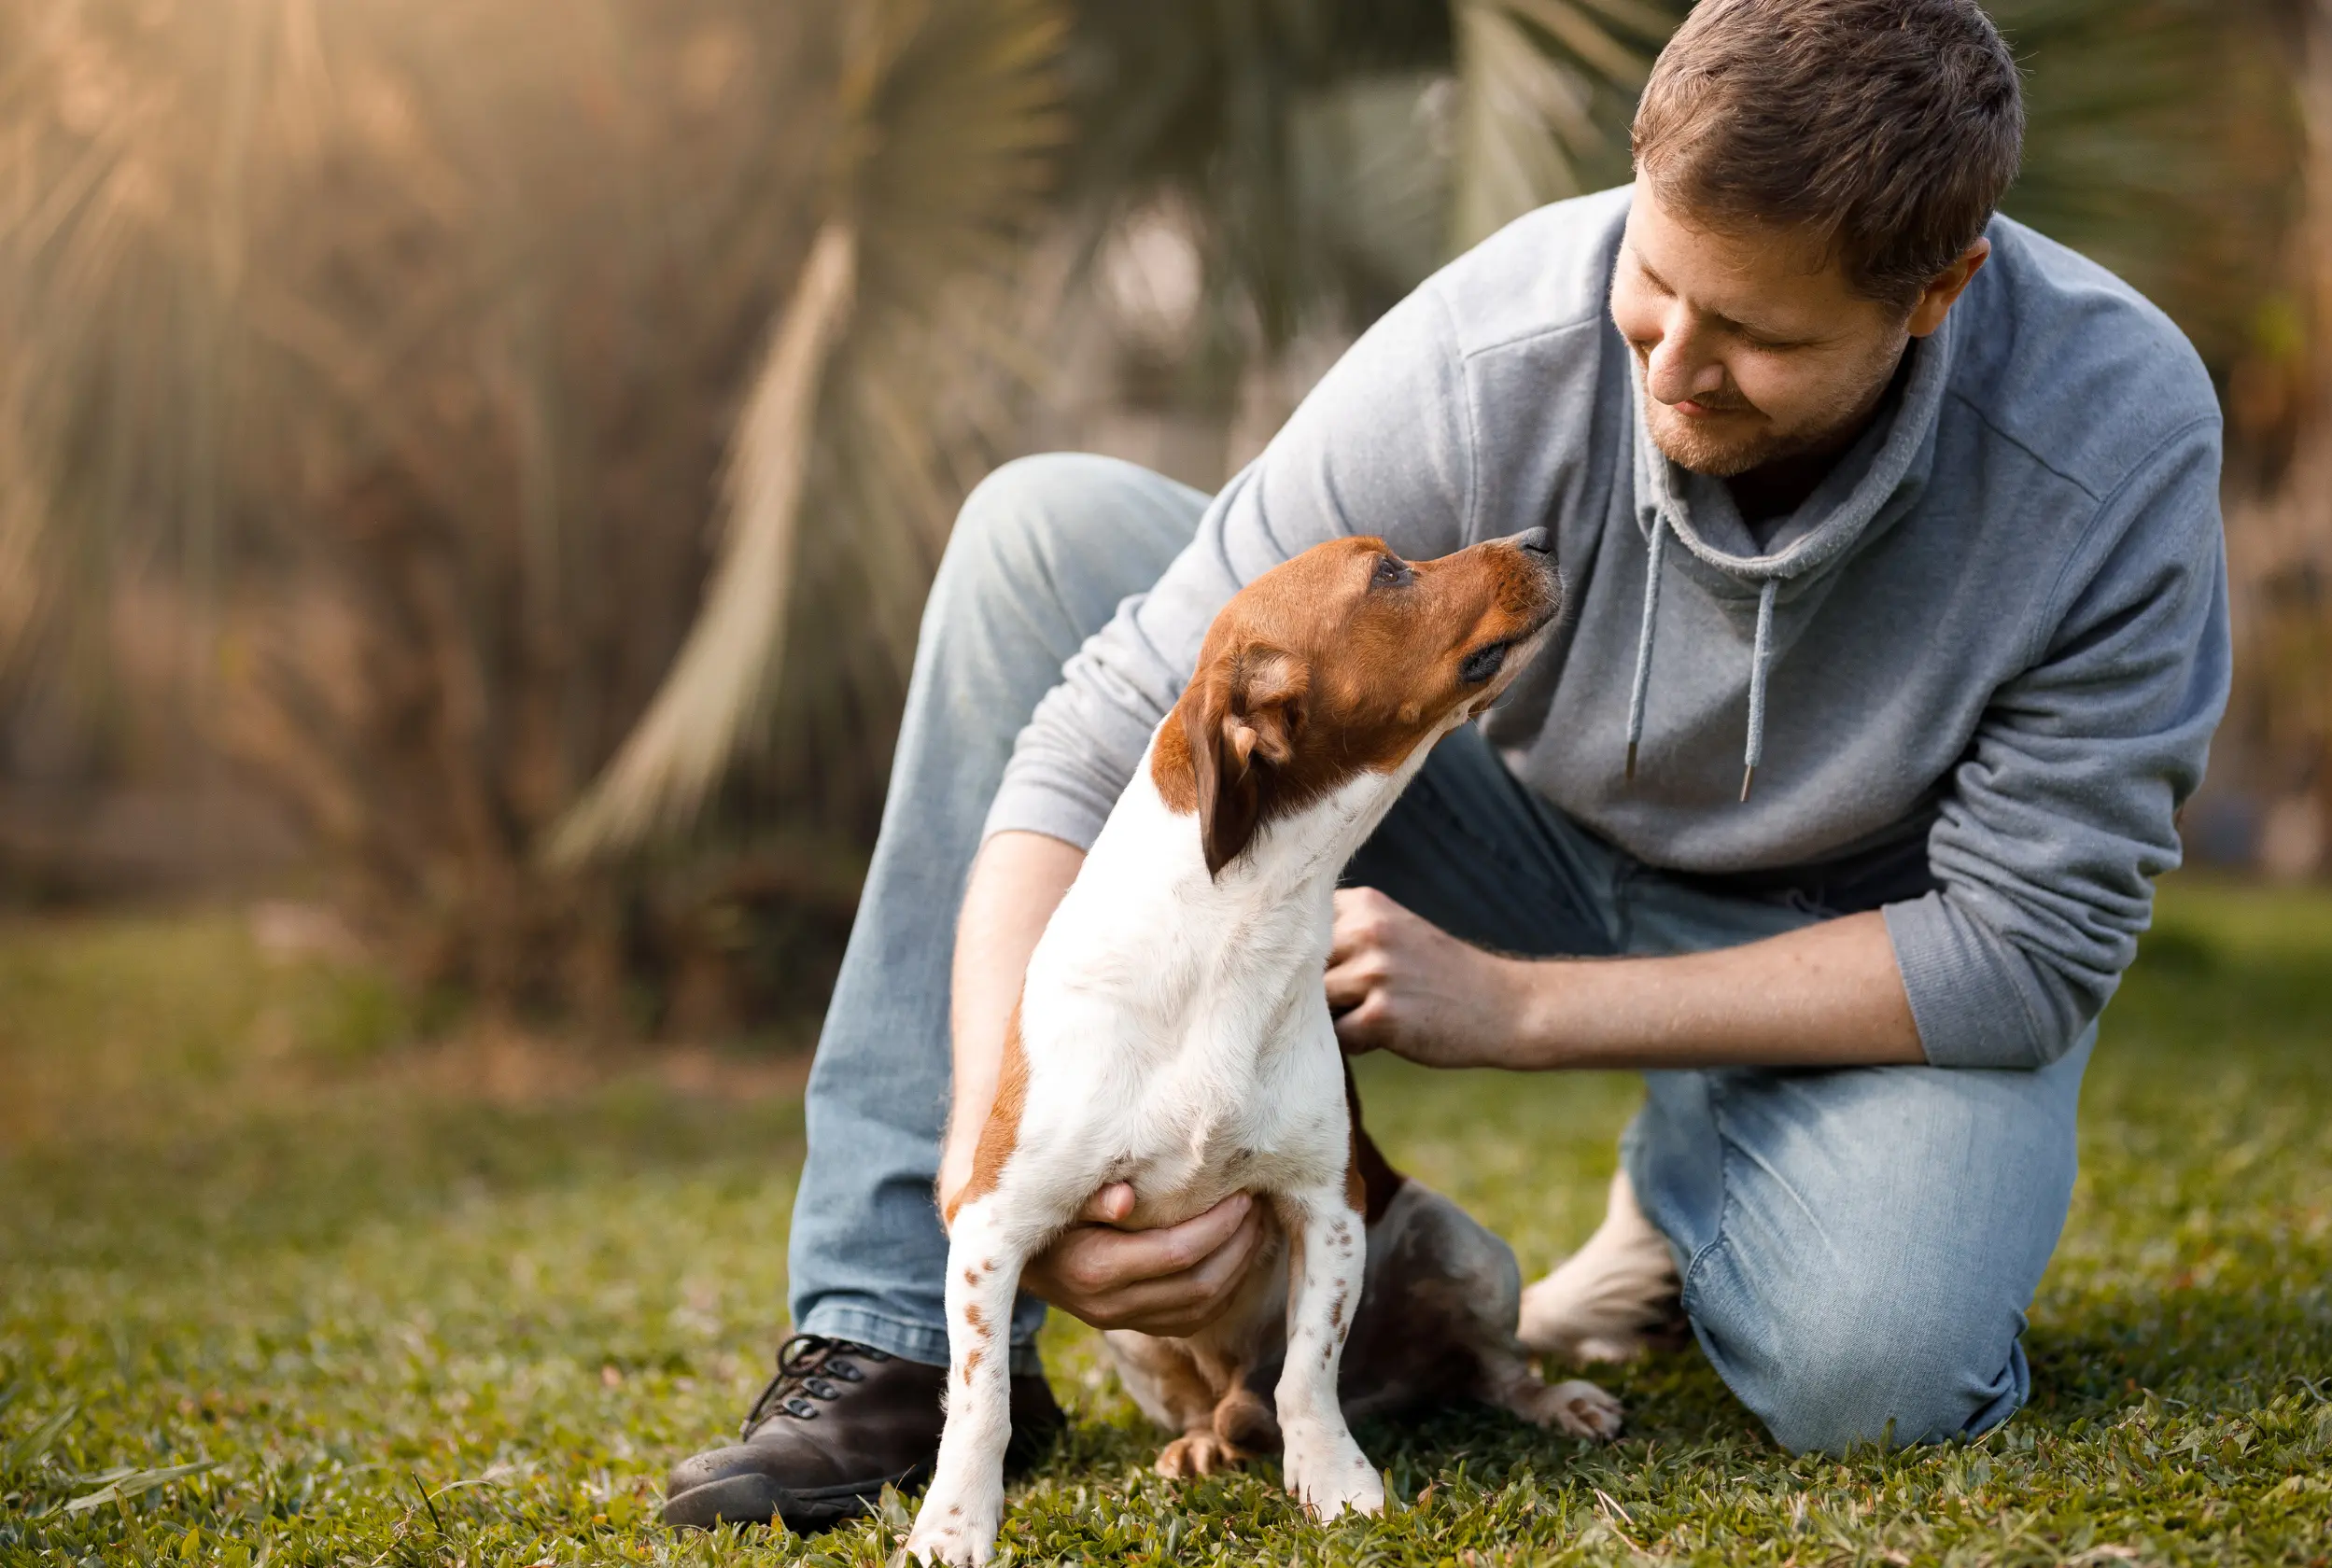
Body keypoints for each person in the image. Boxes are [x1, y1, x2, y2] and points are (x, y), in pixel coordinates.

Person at [662, 0, 2229, 1533]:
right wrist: (993, 1144)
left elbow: (2022, 953)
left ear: (1938, 290)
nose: (1674, 367)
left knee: (1875, 1378)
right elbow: (1093, 733)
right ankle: (894, 1334)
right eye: (1657, 281)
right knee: (1036, 534)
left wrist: (1523, 1011)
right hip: (1509, 828)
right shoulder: (1498, 341)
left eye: (1756, 334)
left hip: (1849, 935)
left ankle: (1712, 1182)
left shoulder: (2113, 437)